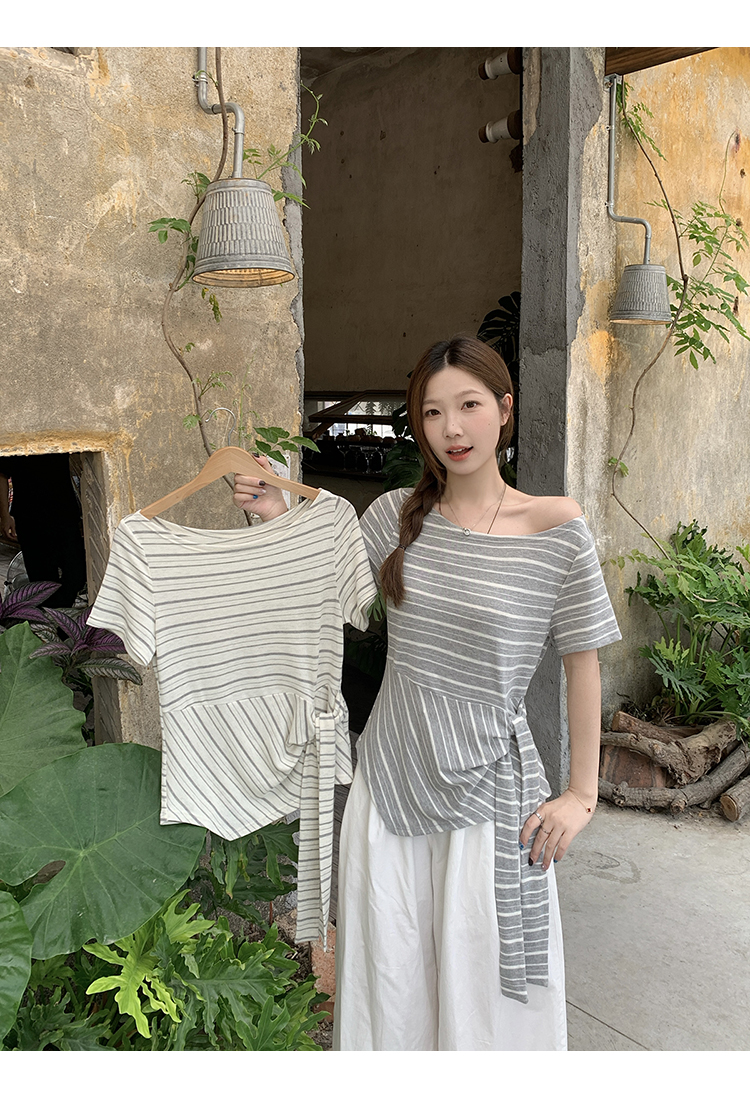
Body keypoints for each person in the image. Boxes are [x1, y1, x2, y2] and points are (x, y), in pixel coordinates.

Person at [233, 335, 621, 1051]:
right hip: (389, 786)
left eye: (469, 405)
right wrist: (274, 514)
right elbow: (324, 587)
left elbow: (583, 661)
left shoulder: (557, 529)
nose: (452, 428)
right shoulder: (391, 518)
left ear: (504, 409)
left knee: (483, 992)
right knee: (392, 981)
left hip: (490, 799)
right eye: (433, 412)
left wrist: (581, 794)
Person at [0, 453, 87, 608]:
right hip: (29, 517)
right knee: (42, 581)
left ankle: (59, 612)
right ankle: (54, 616)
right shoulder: (16, 441)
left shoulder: (59, 440)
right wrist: (5, 516)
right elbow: (2, 475)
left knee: (77, 572)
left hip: (64, 512)